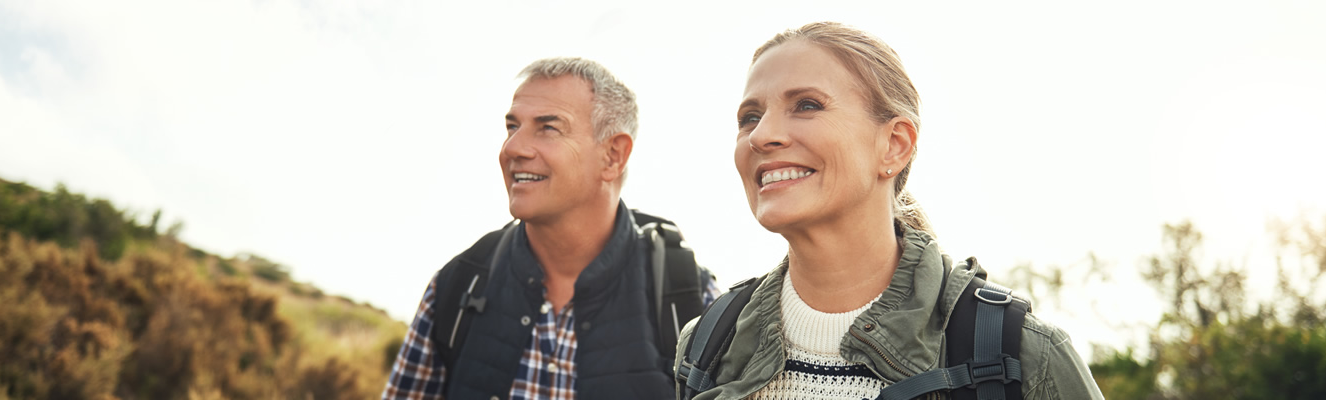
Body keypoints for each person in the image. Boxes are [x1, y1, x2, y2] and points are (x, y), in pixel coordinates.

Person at [674, 22, 1103, 399]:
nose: (761, 135)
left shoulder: (1025, 355)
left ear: (894, 145)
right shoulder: (706, 345)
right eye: (750, 116)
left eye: (806, 105)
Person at [383, 57, 719, 400]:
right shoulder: (455, 286)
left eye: (548, 127)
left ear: (613, 156)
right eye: (512, 127)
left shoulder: (693, 300)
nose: (511, 148)